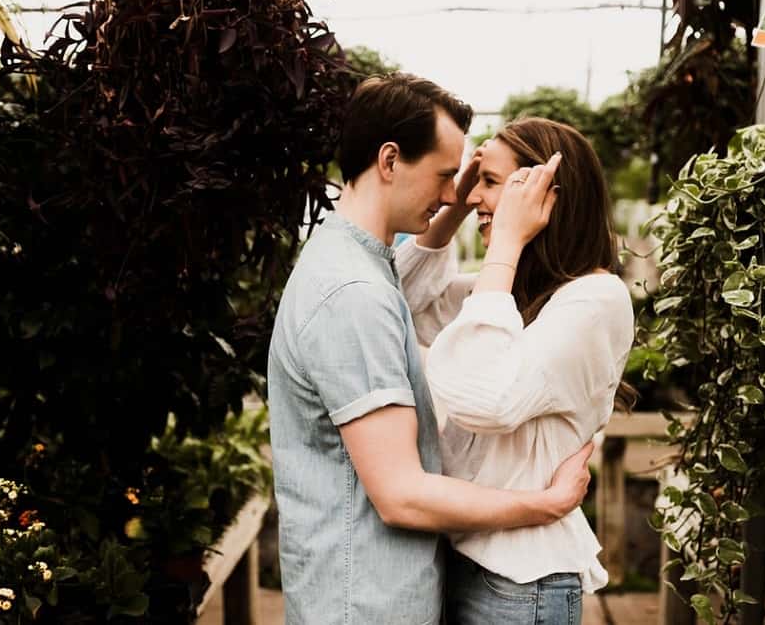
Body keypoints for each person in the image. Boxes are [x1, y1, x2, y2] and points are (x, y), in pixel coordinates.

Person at [267, 76, 596, 625]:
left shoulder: (351, 261)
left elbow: (414, 291)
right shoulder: (354, 293)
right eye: (446, 176)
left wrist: (460, 208)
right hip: (366, 607)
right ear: (390, 160)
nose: (454, 194)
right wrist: (546, 505)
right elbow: (402, 495)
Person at [395, 117, 635, 624]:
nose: (475, 196)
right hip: (467, 560)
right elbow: (405, 300)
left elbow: (487, 400)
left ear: (545, 196)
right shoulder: (514, 292)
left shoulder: (595, 299)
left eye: (489, 182)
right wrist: (456, 206)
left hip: (520, 584)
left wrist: (504, 243)